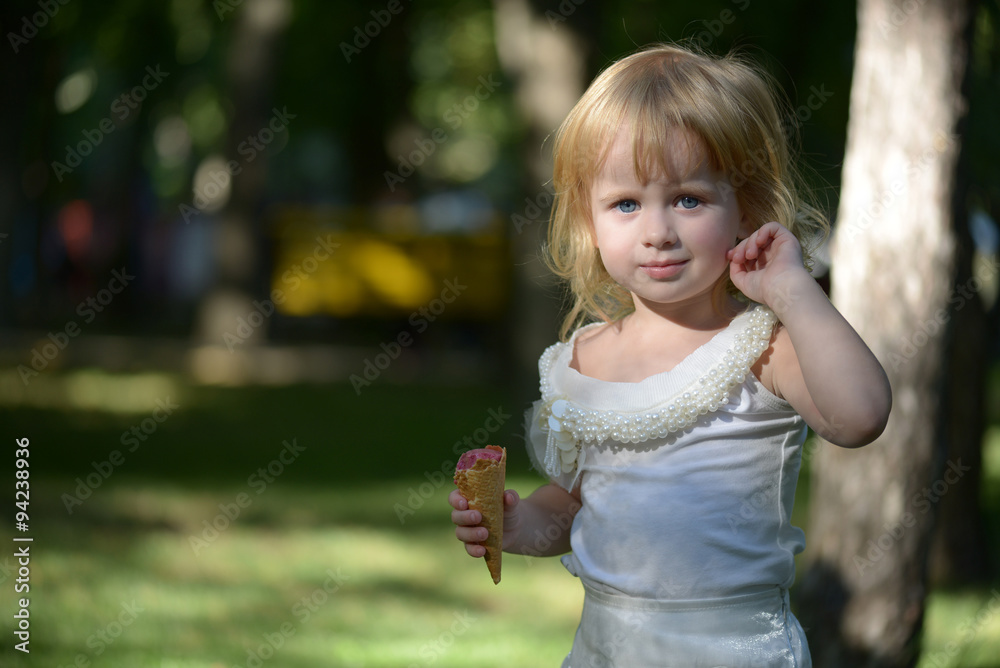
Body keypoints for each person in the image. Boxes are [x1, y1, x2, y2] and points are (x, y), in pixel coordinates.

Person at [449, 43, 891, 667]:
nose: (657, 232)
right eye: (626, 204)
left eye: (688, 199)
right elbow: (578, 501)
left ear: (745, 207)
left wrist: (795, 293)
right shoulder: (583, 361)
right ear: (589, 220)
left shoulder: (764, 347)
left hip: (735, 650)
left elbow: (861, 416)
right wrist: (520, 526)